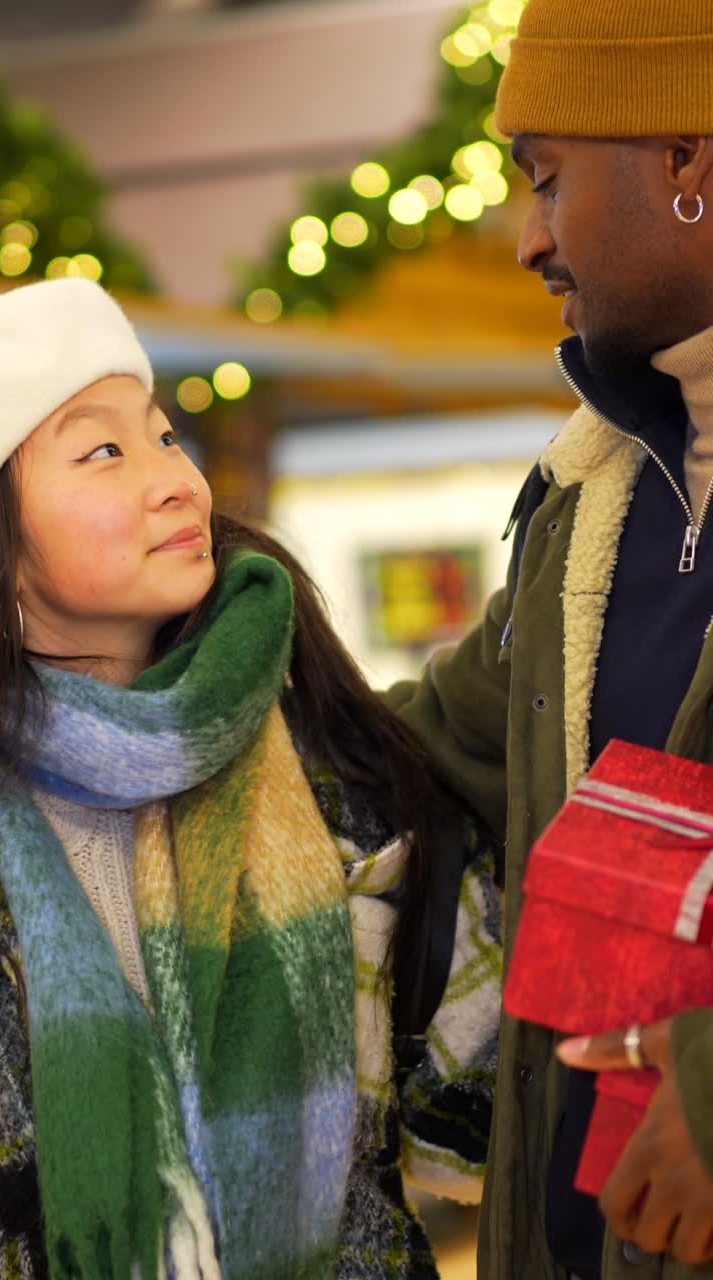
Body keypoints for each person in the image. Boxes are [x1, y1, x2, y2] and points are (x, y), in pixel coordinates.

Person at [0, 277, 501, 1280]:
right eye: (103, 450)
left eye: (163, 434)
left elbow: (481, 1080)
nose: (176, 478)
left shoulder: (329, 754)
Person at [388, 3, 713, 1278]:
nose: (529, 237)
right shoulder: (584, 505)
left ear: (687, 157)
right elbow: (414, 746)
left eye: (547, 178)